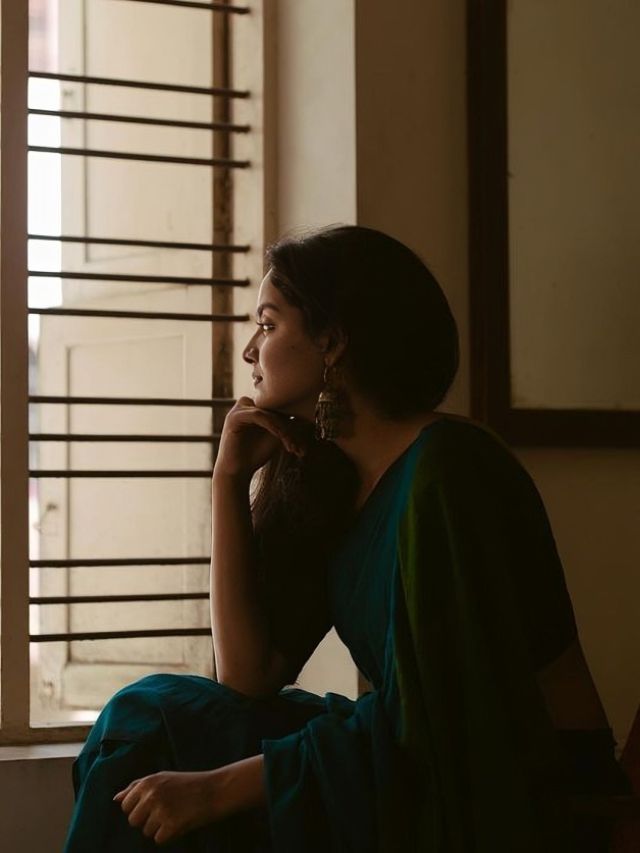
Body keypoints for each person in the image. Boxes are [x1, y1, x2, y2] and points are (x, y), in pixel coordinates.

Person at [64, 225, 630, 852]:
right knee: (150, 719)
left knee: (198, 778)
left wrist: (221, 786)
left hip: (518, 773)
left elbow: (455, 717)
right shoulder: (331, 482)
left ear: (332, 342)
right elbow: (246, 678)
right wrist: (227, 482)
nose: (250, 351)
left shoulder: (450, 468)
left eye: (269, 324)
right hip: (408, 746)